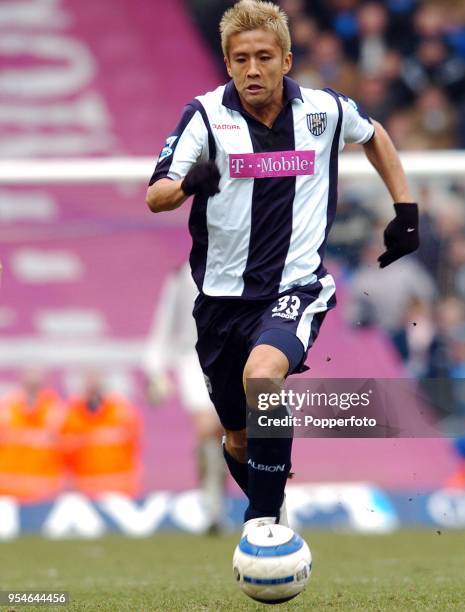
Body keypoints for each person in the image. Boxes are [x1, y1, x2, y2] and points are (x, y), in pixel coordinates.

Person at [146, 0, 419, 534]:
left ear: (287, 60)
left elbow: (375, 135)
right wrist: (187, 185)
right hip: (220, 301)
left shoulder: (323, 110)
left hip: (294, 286)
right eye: (241, 58)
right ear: (227, 63)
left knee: (264, 374)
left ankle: (262, 526)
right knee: (238, 438)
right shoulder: (203, 117)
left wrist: (405, 209)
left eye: (264, 57)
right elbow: (156, 196)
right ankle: (272, 506)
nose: (253, 69)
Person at [143, 263, 226, 533]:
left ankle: (261, 505)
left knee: (235, 434)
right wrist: (155, 369)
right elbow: (165, 321)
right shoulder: (181, 276)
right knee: (206, 430)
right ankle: (213, 509)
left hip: (234, 356)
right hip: (193, 358)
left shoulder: (239, 263)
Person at [62, 372, 142, 498]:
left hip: (119, 489)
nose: (92, 383)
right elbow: (65, 451)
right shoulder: (73, 413)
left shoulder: (121, 411)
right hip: (86, 489)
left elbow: (135, 445)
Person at [0, 369, 65, 502]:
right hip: (9, 487)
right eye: (29, 383)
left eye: (36, 383)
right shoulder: (8, 406)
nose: (32, 386)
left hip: (44, 488)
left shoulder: (53, 407)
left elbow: (66, 445)